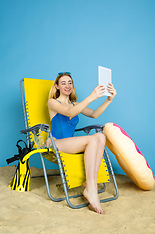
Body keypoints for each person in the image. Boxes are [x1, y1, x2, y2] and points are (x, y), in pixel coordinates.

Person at [46, 72, 117, 214]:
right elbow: (70, 113)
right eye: (63, 83)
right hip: (56, 143)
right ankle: (91, 188)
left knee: (100, 137)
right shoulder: (53, 102)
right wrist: (91, 97)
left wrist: (109, 100)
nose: (67, 85)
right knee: (93, 138)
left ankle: (90, 185)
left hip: (70, 144)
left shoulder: (76, 104)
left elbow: (94, 114)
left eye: (70, 82)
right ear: (57, 86)